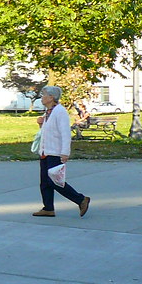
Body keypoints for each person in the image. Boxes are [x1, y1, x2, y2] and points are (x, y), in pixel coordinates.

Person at [33, 86, 90, 217]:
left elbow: (65, 134)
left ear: (51, 97)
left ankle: (81, 199)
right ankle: (48, 208)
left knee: (54, 181)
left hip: (55, 152)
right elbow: (47, 133)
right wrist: (41, 124)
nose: (42, 97)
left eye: (44, 95)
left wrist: (65, 152)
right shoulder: (48, 112)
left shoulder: (60, 112)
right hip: (45, 152)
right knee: (44, 183)